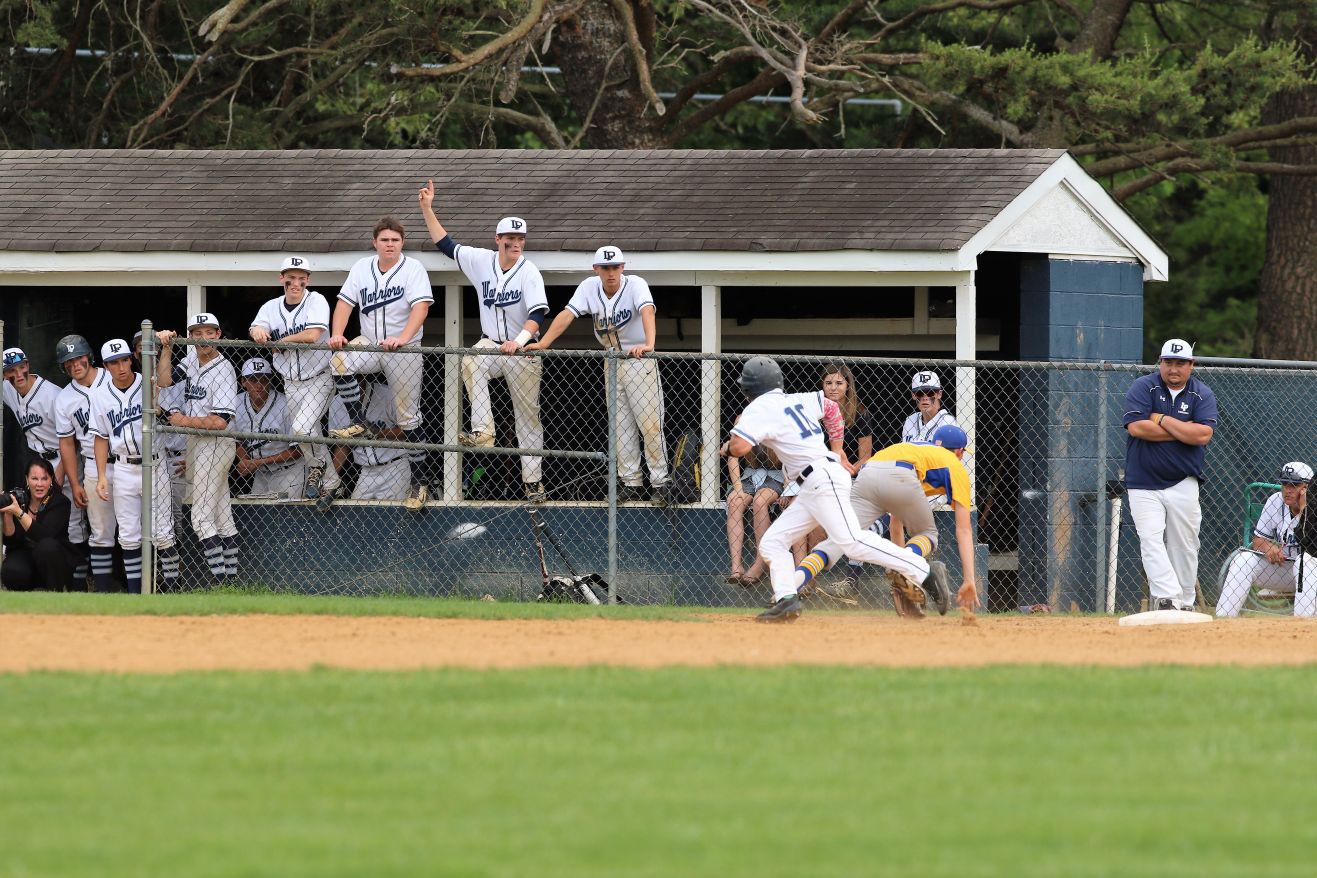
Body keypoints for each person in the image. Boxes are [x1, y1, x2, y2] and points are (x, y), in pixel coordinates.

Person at [720, 356, 940, 623]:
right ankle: (787, 600)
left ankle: (923, 572)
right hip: (813, 484)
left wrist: (728, 447)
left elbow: (741, 448)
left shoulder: (758, 408)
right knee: (773, 541)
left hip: (821, 479)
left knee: (852, 542)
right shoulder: (798, 398)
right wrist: (837, 449)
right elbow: (832, 410)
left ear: (751, 388)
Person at [417, 180, 550, 503]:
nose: (516, 243)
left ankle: (533, 482)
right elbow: (446, 245)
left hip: (524, 347)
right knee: (471, 360)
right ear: (498, 240)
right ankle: (484, 431)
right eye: (510, 238)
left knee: (527, 417)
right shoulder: (481, 260)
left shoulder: (528, 270)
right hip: (492, 343)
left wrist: (518, 341)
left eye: (520, 238)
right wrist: (426, 208)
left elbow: (539, 312)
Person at [526, 245, 669, 504]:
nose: (611, 272)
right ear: (597, 269)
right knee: (620, 426)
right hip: (612, 361)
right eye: (606, 268)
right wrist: (544, 343)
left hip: (639, 359)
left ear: (622, 267)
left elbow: (648, 311)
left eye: (615, 267)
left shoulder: (635, 284)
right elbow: (566, 314)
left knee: (650, 425)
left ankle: (660, 482)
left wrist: (649, 343)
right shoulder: (589, 287)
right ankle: (631, 482)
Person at [795, 425, 977, 617]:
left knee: (837, 541)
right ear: (959, 451)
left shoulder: (918, 451)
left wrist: (899, 570)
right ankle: (911, 569)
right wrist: (969, 579)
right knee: (928, 535)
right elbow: (964, 530)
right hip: (901, 475)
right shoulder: (954, 465)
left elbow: (895, 523)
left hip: (868, 472)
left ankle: (790, 588)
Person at [326, 219, 433, 511]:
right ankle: (359, 422)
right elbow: (345, 303)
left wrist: (403, 337)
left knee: (408, 418)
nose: (390, 244)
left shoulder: (413, 269)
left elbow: (421, 308)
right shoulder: (362, 267)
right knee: (338, 359)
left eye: (395, 240)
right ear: (375, 242)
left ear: (402, 243)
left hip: (405, 348)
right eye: (385, 239)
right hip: (372, 342)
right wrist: (337, 333)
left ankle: (420, 482)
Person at [1123, 338, 1218, 611]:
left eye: (1180, 363)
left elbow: (1203, 435)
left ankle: (1185, 601)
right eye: (1169, 362)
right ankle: (1167, 597)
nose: (1174, 369)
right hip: (1143, 482)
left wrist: (1162, 419)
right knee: (1150, 539)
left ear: (1191, 365)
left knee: (1185, 544)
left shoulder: (1202, 393)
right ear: (1160, 362)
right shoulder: (1143, 386)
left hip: (1183, 481)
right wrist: (1182, 432)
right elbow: (1137, 428)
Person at [89, 338, 180, 593]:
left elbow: (164, 380)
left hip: (154, 463)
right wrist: (101, 477)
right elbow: (100, 438)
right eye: (114, 362)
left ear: (131, 359)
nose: (121, 367)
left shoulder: (147, 382)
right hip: (124, 468)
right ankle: (135, 595)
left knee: (163, 533)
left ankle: (172, 593)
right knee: (128, 536)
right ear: (106, 366)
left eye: (124, 360)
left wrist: (167, 348)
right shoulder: (99, 396)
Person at [250, 255, 341, 506]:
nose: (295, 283)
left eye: (301, 278)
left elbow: (313, 335)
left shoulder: (317, 301)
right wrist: (256, 332)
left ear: (307, 280)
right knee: (307, 432)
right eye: (290, 278)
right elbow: (257, 327)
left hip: (320, 378)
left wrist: (281, 342)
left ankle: (316, 467)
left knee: (302, 428)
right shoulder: (271, 306)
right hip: (290, 381)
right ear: (282, 278)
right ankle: (331, 483)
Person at [157, 314, 240, 582]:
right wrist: (167, 348)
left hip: (216, 443)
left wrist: (183, 421)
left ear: (218, 335)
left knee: (201, 518)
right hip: (198, 444)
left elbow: (220, 422)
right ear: (190, 337)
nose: (203, 338)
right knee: (221, 515)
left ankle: (220, 583)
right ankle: (230, 580)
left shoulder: (224, 369)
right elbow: (164, 380)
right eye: (196, 333)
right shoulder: (192, 360)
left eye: (208, 332)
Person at [1216, 462, 1313, 618]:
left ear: (1306, 488)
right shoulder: (1275, 501)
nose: (1287, 490)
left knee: (1306, 561)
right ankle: (1223, 619)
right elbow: (1258, 540)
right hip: (1284, 569)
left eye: (1294, 485)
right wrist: (1269, 549)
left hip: (1311, 573)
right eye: (1284, 484)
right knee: (1244, 559)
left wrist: (1303, 510)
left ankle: (1302, 624)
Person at [54, 334, 110, 587]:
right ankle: (103, 590)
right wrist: (74, 483)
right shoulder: (64, 398)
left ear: (88, 356)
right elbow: (66, 443)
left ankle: (142, 589)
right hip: (90, 464)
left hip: (126, 460)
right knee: (99, 531)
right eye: (68, 362)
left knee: (135, 529)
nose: (75, 365)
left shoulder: (112, 378)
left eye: (78, 358)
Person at [818, 363, 874, 590]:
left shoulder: (860, 414)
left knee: (857, 518)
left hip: (851, 474)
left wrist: (848, 469)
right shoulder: (815, 413)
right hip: (821, 473)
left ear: (848, 386)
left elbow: (866, 457)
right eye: (828, 383)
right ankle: (816, 567)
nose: (833, 388)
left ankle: (851, 577)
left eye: (839, 383)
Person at [133, 330, 187, 532]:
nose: (149, 352)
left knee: (177, 515)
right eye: (142, 348)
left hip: (179, 458)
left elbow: (185, 420)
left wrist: (193, 455)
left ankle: (178, 561)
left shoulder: (179, 379)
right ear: (135, 354)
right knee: (149, 516)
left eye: (153, 347)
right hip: (152, 459)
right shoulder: (134, 383)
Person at [1, 457, 79, 590]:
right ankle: (25, 598)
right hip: (25, 553)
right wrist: (8, 513)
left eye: (44, 479)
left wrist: (19, 513)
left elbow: (44, 535)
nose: (39, 484)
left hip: (53, 559)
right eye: (34, 479)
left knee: (46, 547)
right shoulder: (19, 499)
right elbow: (11, 541)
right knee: (12, 570)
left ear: (51, 480)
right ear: (27, 479)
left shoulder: (60, 502)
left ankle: (55, 592)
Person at [327, 378, 411, 501]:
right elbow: (342, 446)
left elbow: (409, 431)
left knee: (392, 515)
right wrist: (330, 480)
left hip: (395, 467)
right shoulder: (335, 404)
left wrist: (378, 433)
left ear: (363, 378)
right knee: (355, 514)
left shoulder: (387, 394)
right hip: (366, 471)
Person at [232, 357, 305, 497]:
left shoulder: (286, 405)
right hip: (261, 472)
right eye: (253, 380)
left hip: (289, 470)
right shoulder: (236, 402)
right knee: (258, 513)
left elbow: (298, 450)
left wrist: (257, 462)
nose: (259, 385)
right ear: (243, 382)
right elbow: (239, 440)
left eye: (264, 379)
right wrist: (244, 461)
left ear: (270, 381)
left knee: (286, 515)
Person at [725, 444, 783, 586]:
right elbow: (732, 455)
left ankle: (760, 563)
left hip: (778, 475)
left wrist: (789, 488)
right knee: (734, 502)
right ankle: (736, 567)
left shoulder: (783, 421)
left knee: (759, 501)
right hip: (751, 474)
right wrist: (738, 489)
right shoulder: (743, 421)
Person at [3, 347, 64, 475]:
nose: (18, 375)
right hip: (39, 462)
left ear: (28, 365)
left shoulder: (53, 395)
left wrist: (60, 475)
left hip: (63, 458)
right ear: (4, 375)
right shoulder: (7, 388)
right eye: (11, 370)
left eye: (21, 367)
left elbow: (72, 442)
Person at [901, 370, 957, 443]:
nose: (925, 398)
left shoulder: (948, 423)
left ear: (939, 394)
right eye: (920, 393)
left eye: (930, 393)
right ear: (913, 395)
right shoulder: (910, 421)